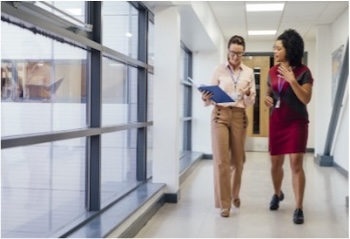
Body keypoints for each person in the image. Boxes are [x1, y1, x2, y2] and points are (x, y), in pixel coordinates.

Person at [201, 35, 256, 217]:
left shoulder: (248, 72)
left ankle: (234, 193)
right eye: (233, 52)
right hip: (220, 115)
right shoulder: (219, 70)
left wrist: (248, 94)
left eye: (239, 53)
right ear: (228, 51)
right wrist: (205, 98)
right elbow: (209, 97)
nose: (235, 56)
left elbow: (251, 101)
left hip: (239, 116)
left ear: (243, 53)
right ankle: (224, 204)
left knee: (238, 161)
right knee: (221, 160)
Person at [264, 29, 313, 224]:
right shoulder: (272, 71)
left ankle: (299, 207)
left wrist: (292, 80)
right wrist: (268, 98)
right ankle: (277, 193)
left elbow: (306, 98)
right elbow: (270, 91)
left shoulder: (303, 72)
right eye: (274, 48)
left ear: (289, 49)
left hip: (296, 122)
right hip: (277, 121)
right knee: (276, 163)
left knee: (295, 164)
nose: (275, 52)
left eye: (278, 48)